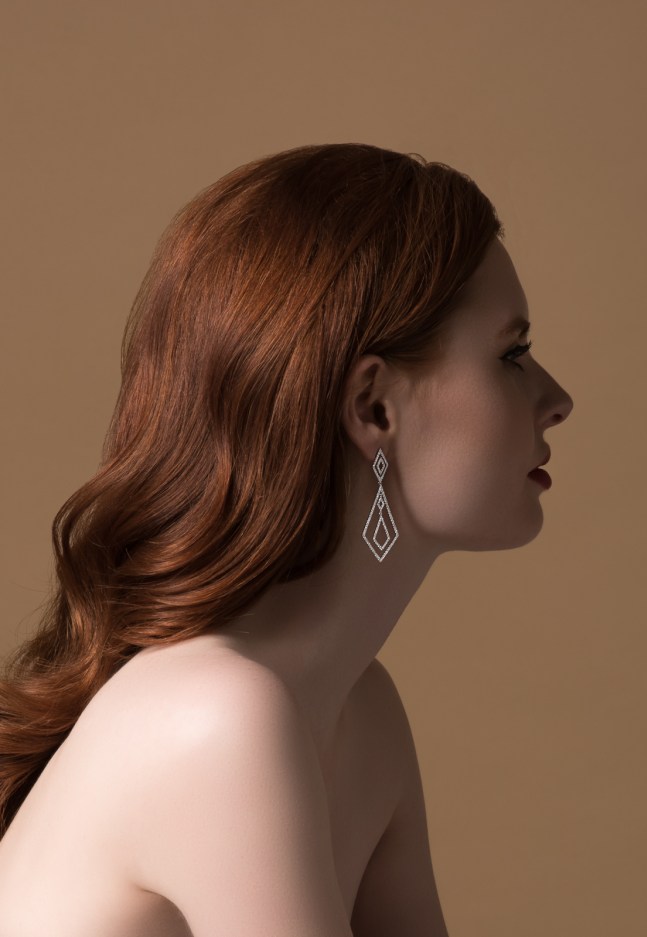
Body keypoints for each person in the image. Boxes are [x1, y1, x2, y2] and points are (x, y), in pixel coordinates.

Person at [0, 142, 573, 936]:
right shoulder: (219, 716)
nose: (558, 399)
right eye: (512, 355)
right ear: (373, 407)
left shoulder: (362, 714)